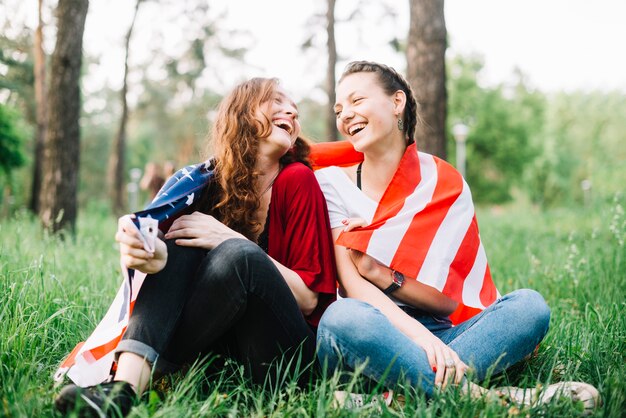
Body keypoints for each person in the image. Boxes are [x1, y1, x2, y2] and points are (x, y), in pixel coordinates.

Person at [312, 61, 599, 410]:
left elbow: (447, 302)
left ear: (397, 102)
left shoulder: (442, 182)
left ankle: (398, 393)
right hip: (369, 331)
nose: (346, 115)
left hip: (440, 332)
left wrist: (380, 274)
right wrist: (419, 339)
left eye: (357, 100)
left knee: (529, 307)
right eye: (340, 108)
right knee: (343, 318)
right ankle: (492, 399)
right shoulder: (330, 183)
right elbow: (351, 287)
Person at [55, 78, 337, 416]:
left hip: (287, 360)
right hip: (220, 353)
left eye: (294, 107)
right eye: (276, 101)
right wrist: (152, 256)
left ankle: (151, 372)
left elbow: (308, 300)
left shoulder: (298, 180)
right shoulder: (204, 185)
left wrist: (229, 238)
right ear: (243, 114)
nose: (291, 110)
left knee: (238, 254)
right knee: (180, 237)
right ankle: (123, 392)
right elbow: (167, 266)